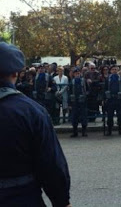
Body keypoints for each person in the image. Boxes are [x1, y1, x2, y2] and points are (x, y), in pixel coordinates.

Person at [0, 42, 71, 206]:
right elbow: (51, 164)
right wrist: (62, 201)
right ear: (16, 73)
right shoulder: (31, 112)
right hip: (20, 198)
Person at [104, 65, 121, 136]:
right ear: (110, 71)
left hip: (119, 99)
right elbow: (105, 89)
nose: (114, 71)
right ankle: (109, 130)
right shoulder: (108, 79)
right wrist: (104, 98)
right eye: (113, 69)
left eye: (116, 69)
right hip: (110, 99)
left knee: (120, 115)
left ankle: (120, 129)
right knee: (110, 115)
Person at [69, 67, 88, 138]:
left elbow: (88, 90)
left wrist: (84, 96)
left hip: (83, 102)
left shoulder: (84, 81)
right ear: (73, 74)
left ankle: (84, 131)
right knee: (74, 118)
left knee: (84, 117)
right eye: (76, 73)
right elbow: (69, 93)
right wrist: (70, 103)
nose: (77, 74)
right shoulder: (72, 82)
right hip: (74, 102)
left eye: (78, 73)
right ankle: (75, 132)